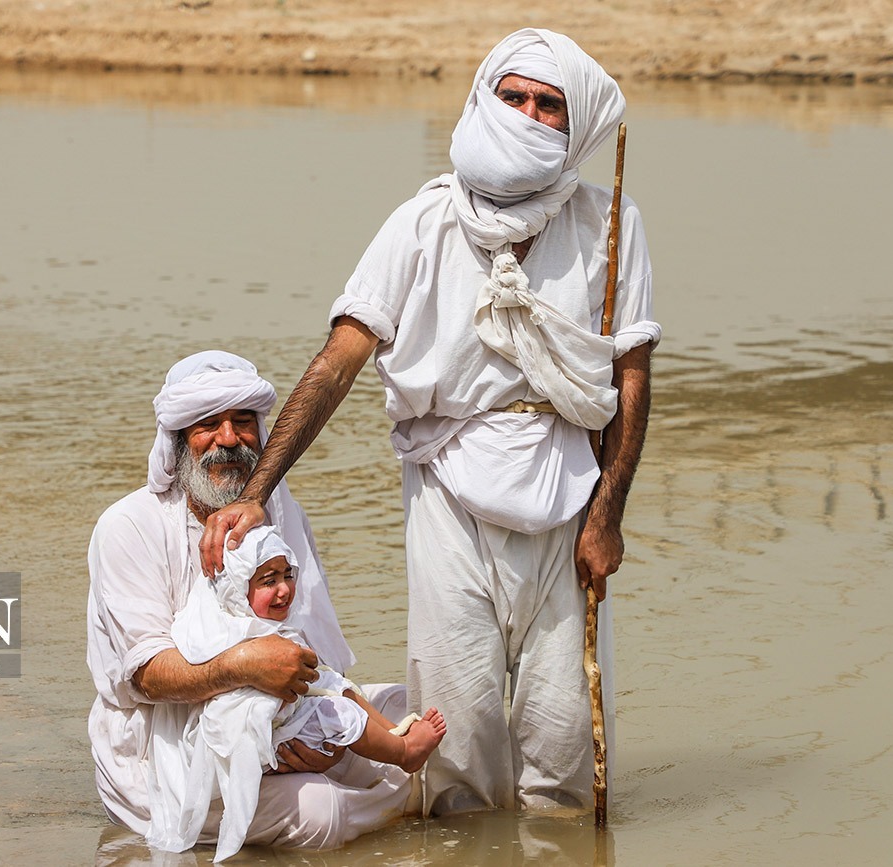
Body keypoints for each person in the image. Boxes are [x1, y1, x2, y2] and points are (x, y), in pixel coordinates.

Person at [200, 28, 661, 816]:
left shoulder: (608, 224)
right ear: (482, 100)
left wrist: (607, 516)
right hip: (448, 486)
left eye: (548, 105)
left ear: (576, 124)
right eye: (512, 96)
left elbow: (631, 374)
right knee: (456, 743)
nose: (526, 114)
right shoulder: (422, 223)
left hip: (569, 491)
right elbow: (340, 360)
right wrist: (258, 491)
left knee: (565, 748)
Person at [86, 350, 417, 852]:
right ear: (177, 441)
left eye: (243, 422)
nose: (228, 439)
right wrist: (244, 665)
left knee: (416, 711)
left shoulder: (282, 514)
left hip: (282, 715)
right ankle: (380, 806)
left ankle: (379, 798)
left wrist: (321, 739)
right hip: (164, 746)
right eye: (207, 425)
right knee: (321, 811)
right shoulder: (129, 526)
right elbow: (148, 675)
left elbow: (313, 651)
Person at [167, 524, 446, 861]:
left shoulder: (264, 624)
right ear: (238, 589)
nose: (284, 589)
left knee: (338, 686)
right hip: (261, 737)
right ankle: (403, 753)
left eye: (288, 575)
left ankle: (395, 733)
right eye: (268, 581)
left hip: (280, 722)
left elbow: (321, 680)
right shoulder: (235, 632)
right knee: (337, 713)